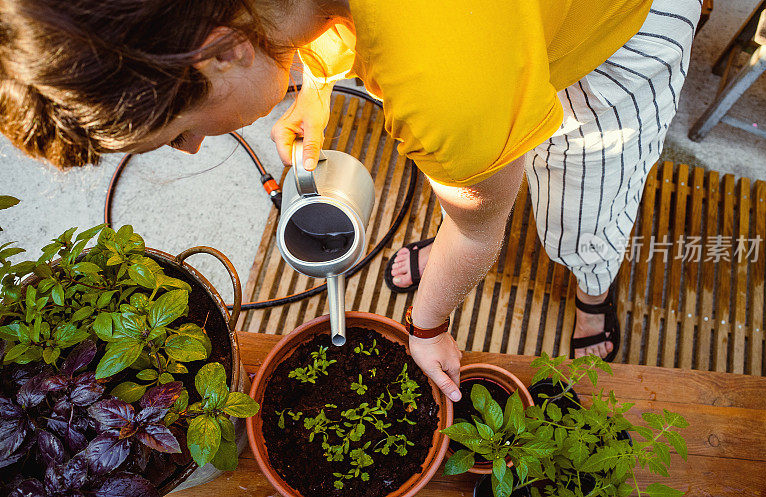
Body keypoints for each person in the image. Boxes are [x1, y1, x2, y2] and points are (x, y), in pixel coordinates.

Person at [0, 0, 701, 403]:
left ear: (220, 54)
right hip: (503, 34)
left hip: (614, 29)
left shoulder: (447, 90)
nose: (191, 151)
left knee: (579, 211)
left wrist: (427, 327)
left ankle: (594, 283)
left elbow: (484, 230)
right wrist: (316, 86)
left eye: (177, 133)